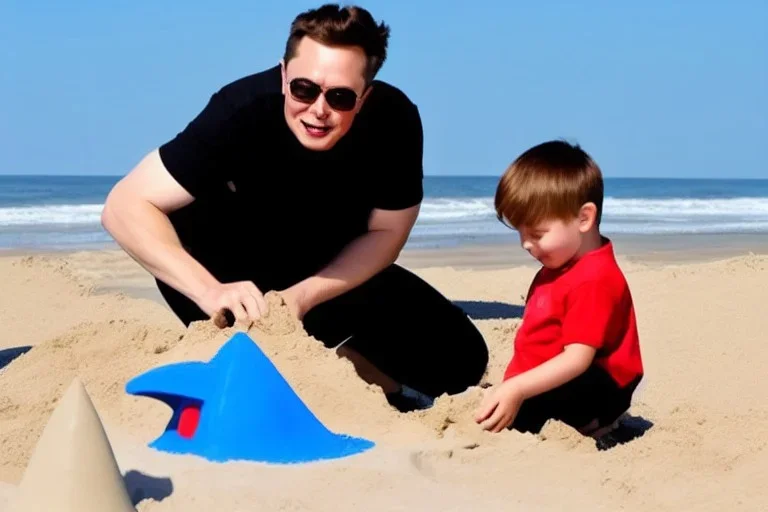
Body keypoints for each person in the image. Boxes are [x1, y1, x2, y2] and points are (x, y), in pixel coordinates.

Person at [101, 3, 488, 412]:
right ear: (284, 75)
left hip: (325, 275)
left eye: (340, 97)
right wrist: (209, 290)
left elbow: (387, 234)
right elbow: (125, 205)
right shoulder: (241, 109)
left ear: (365, 96)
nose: (318, 109)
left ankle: (357, 373)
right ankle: (239, 358)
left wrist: (301, 298)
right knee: (178, 215)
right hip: (230, 283)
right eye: (304, 89)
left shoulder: (395, 121)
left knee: (462, 360)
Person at [474, 140, 644, 437]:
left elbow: (577, 359)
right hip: (567, 377)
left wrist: (517, 387)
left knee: (514, 418)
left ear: (583, 218)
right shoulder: (559, 267)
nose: (526, 244)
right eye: (521, 233)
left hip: (597, 385)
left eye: (537, 234)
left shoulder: (593, 278)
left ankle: (597, 425)